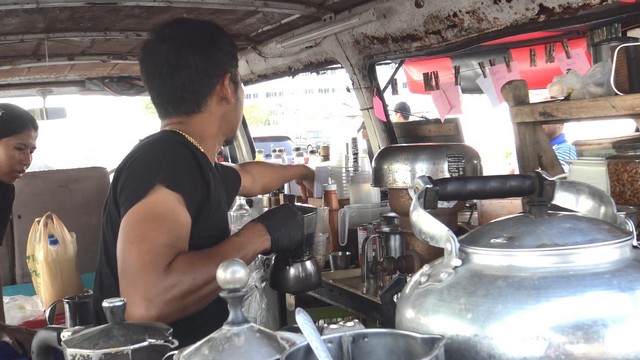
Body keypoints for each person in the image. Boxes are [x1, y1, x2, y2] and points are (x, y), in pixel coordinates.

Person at [91, 18, 316, 348]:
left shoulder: (190, 159)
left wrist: (300, 172)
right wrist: (260, 236)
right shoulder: (168, 160)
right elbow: (146, 303)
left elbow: (249, 177)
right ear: (227, 87)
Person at [0, 103, 38, 357]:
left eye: (32, 150)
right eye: (19, 148)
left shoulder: (4, 191)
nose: (27, 160)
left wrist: (2, 327)